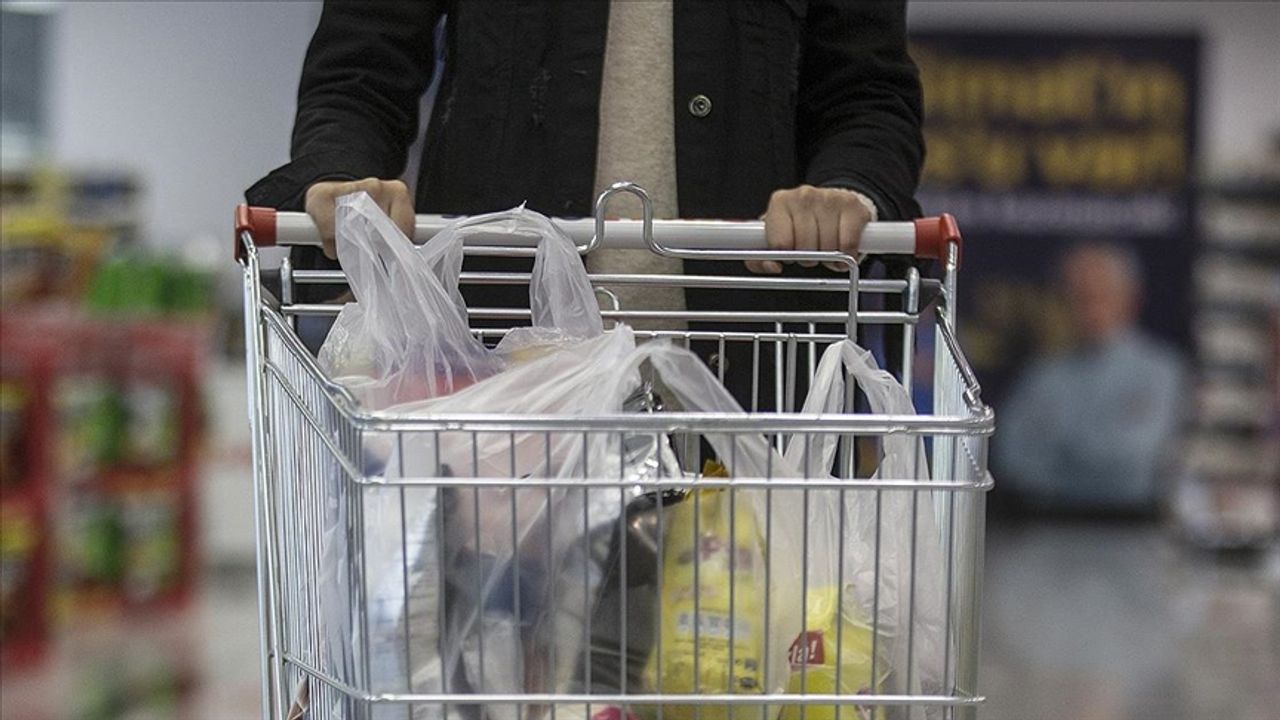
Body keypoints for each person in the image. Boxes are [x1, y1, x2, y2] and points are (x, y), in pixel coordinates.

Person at [247, 0, 924, 408]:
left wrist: (847, 191)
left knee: (757, 611)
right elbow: (361, 69)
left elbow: (866, 94)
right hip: (502, 396)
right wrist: (341, 177)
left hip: (752, 391)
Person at [996, 242, 1186, 516]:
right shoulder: (1042, 374)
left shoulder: (1163, 371)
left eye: (1101, 294)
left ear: (1130, 298)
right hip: (1047, 525)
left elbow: (1133, 466)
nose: (1090, 306)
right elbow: (1012, 462)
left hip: (1132, 525)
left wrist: (1060, 455)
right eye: (1079, 295)